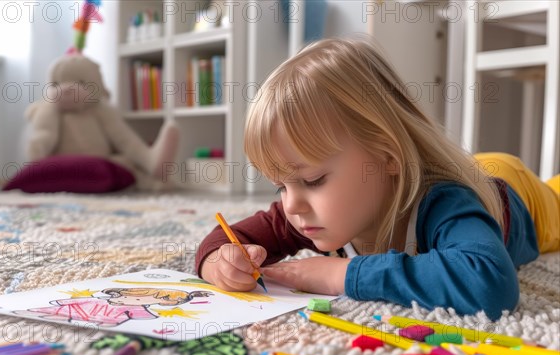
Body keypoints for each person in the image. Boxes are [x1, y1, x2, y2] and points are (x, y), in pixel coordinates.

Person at [195, 37, 560, 320]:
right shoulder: (309, 215)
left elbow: (490, 284)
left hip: (518, 193)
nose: (290, 205)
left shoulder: (446, 202)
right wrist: (221, 262)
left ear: (387, 157)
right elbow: (223, 239)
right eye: (281, 185)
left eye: (314, 180)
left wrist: (343, 274)